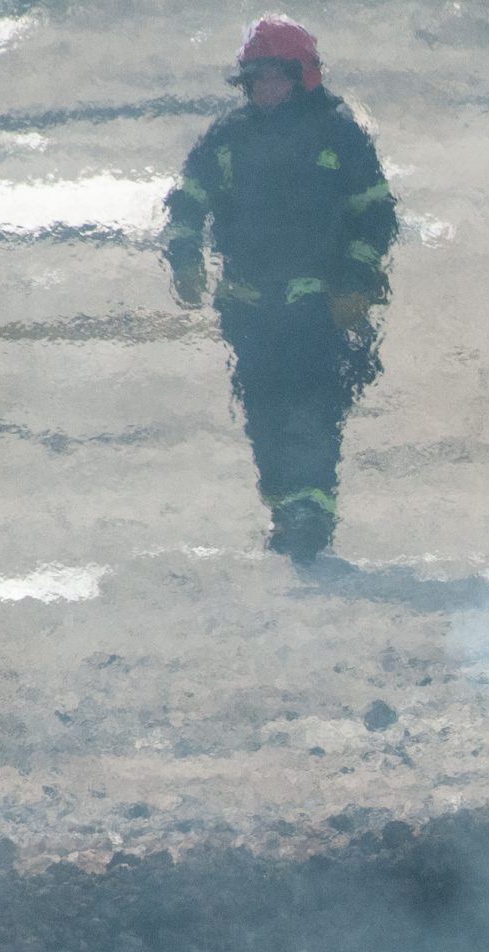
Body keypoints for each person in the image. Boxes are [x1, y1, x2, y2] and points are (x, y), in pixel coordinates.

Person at [163, 16, 397, 567]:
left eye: (275, 77)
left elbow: (376, 214)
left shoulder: (339, 134)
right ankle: (286, 509)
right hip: (250, 308)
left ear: (302, 77)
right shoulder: (228, 137)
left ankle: (311, 512)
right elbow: (187, 203)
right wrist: (184, 258)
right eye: (256, 78)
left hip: (319, 309)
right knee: (265, 410)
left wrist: (358, 283)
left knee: (313, 408)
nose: (265, 88)